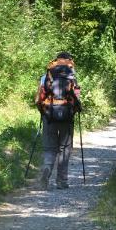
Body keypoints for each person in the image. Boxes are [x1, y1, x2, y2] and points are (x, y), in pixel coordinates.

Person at [35, 51, 81, 190]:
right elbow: (77, 98)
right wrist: (76, 110)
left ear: (56, 60)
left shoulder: (46, 76)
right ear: (69, 61)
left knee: (50, 148)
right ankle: (62, 181)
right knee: (65, 148)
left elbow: (38, 99)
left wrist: (43, 113)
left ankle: (47, 169)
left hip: (49, 116)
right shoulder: (71, 76)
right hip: (67, 117)